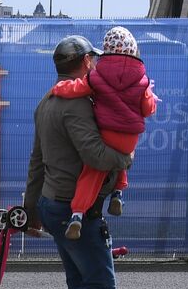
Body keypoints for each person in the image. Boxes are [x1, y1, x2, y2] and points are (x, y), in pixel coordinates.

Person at [11, 34, 135, 289]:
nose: (96, 64)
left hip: (52, 205)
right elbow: (95, 154)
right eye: (93, 60)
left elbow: (36, 162)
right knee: (100, 287)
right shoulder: (77, 104)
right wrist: (123, 158)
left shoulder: (46, 102)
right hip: (73, 210)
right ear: (85, 63)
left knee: (79, 285)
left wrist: (31, 209)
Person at [48, 26, 157, 239]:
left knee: (92, 174)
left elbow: (76, 88)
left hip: (106, 132)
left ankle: (77, 215)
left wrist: (59, 88)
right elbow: (148, 109)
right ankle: (118, 193)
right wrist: (151, 97)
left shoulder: (97, 77)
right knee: (122, 158)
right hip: (130, 138)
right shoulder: (143, 81)